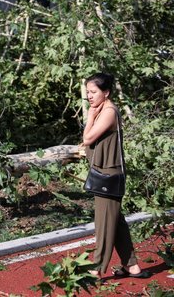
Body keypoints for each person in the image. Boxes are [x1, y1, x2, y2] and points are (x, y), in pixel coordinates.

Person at [82, 72, 151, 279]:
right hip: (104, 171)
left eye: (93, 92)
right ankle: (132, 266)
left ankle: (96, 268)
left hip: (108, 173)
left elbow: (87, 138)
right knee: (116, 221)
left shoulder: (108, 111)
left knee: (104, 223)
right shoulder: (102, 108)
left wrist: (90, 117)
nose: (89, 96)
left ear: (107, 92)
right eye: (87, 92)